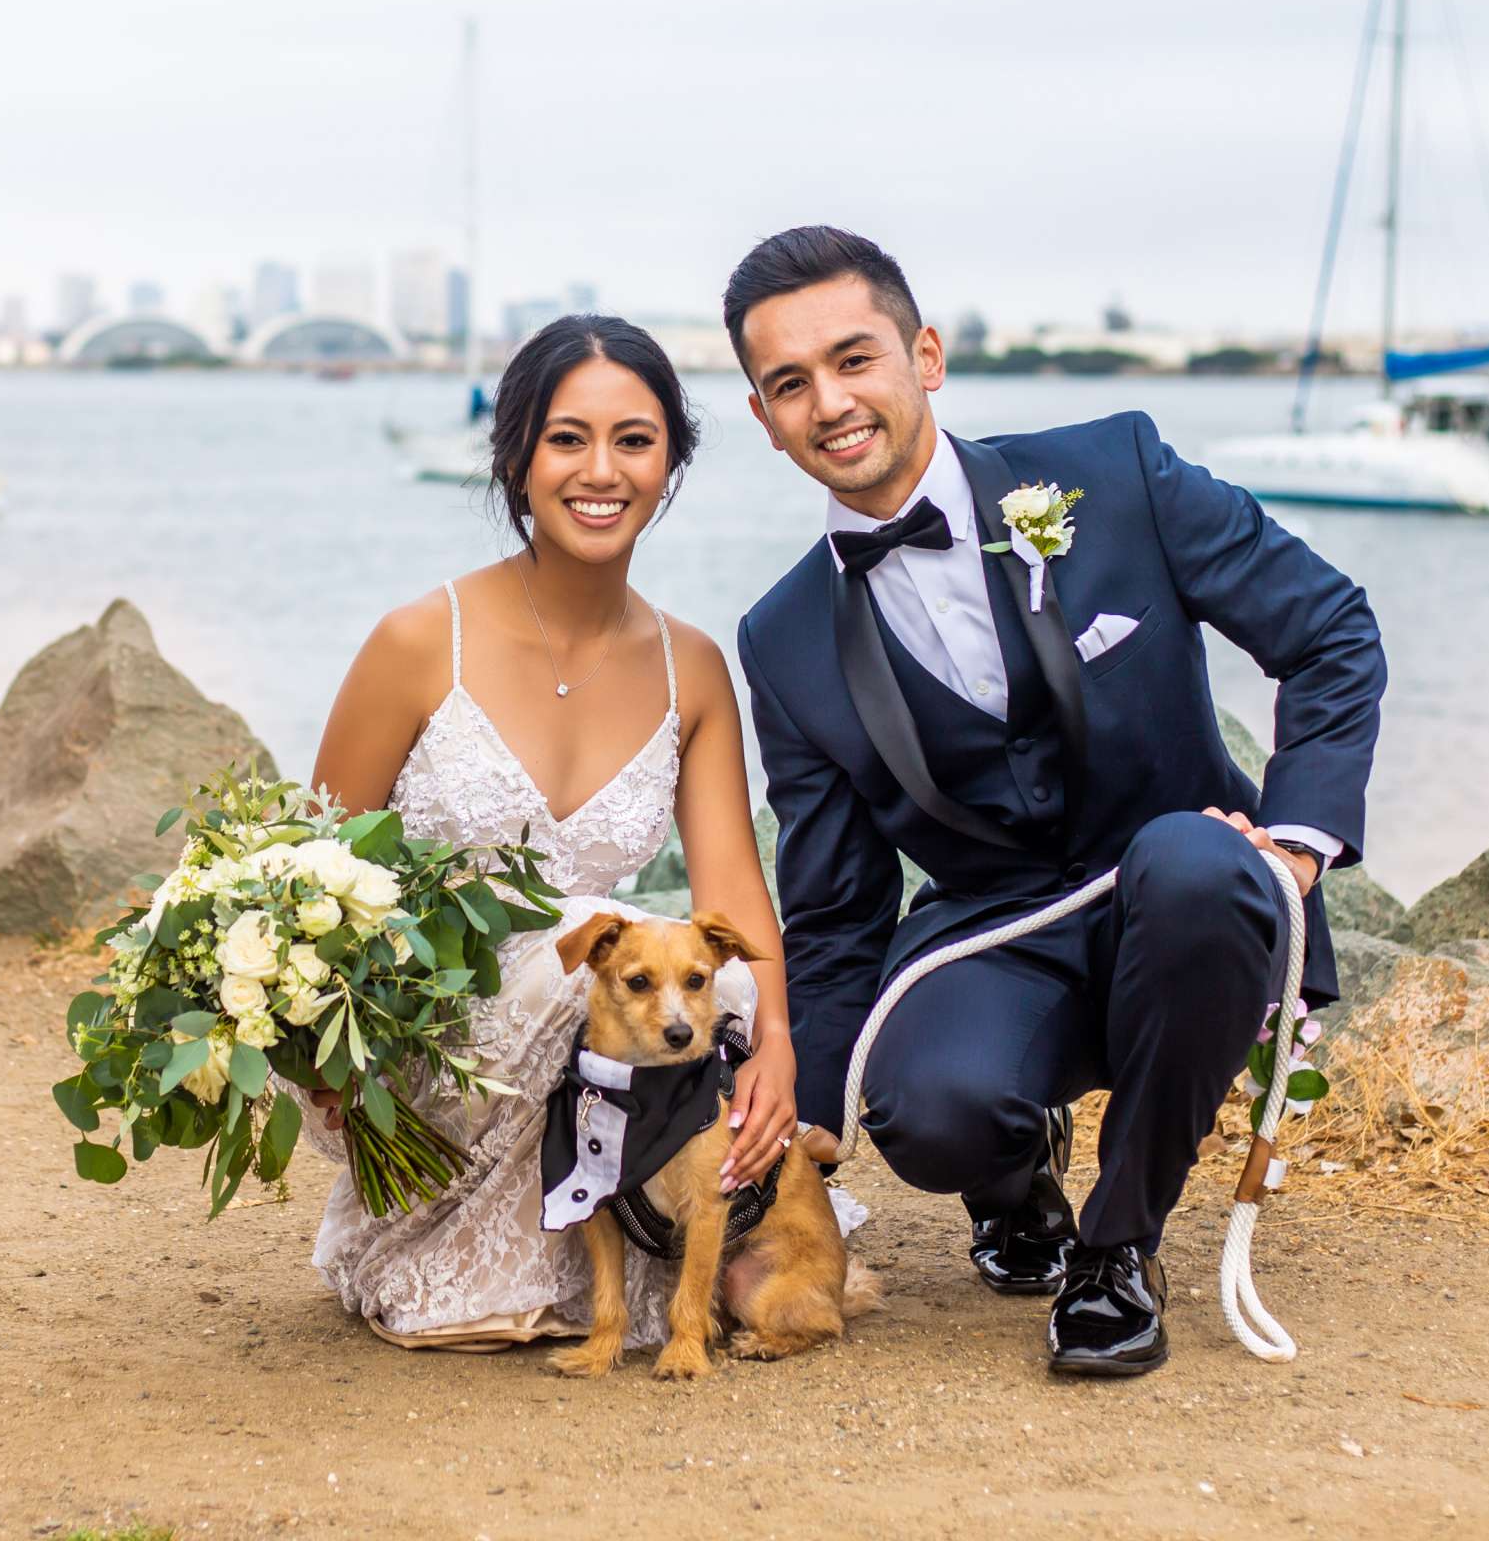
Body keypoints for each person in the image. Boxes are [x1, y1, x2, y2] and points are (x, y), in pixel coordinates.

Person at [728, 227, 1386, 1376]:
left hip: (1190, 896)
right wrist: (810, 1131)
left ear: (924, 355)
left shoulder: (1114, 473)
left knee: (1193, 867)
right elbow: (835, 910)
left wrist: (1291, 846)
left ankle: (1118, 1251)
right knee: (925, 1104)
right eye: (792, 383)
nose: (830, 402)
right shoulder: (780, 641)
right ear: (764, 416)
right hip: (995, 931)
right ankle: (1010, 1167)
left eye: (854, 359)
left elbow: (1330, 633)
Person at [291, 315, 804, 1351]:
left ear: (671, 464)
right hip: (425, 1041)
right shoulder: (418, 642)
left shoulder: (691, 668)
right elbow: (313, 875)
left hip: (599, 1040)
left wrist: (781, 1041)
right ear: (515, 454)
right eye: (568, 438)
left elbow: (733, 892)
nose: (601, 470)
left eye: (635, 440)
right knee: (588, 950)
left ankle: (641, 1242)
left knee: (726, 985)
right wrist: (322, 1062)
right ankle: (450, 1234)